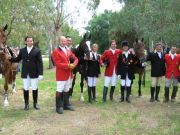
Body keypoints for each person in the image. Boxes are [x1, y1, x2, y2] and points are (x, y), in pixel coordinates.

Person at [10, 36, 43, 110]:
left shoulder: (37, 50)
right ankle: (26, 104)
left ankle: (35, 104)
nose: (30, 42)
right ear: (25, 42)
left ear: (33, 42)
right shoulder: (22, 50)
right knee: (26, 88)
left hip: (34, 73)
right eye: (28, 41)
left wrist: (41, 73)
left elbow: (40, 63)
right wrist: (11, 59)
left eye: (31, 41)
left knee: (35, 88)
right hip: (25, 73)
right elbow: (18, 59)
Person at [52, 36, 78, 114]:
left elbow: (76, 59)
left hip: (69, 74)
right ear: (59, 42)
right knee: (59, 90)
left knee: (67, 89)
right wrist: (68, 66)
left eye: (65, 41)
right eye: (62, 41)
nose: (64, 42)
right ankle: (58, 107)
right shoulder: (56, 51)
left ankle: (66, 105)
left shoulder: (68, 50)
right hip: (61, 74)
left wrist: (74, 64)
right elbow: (57, 64)